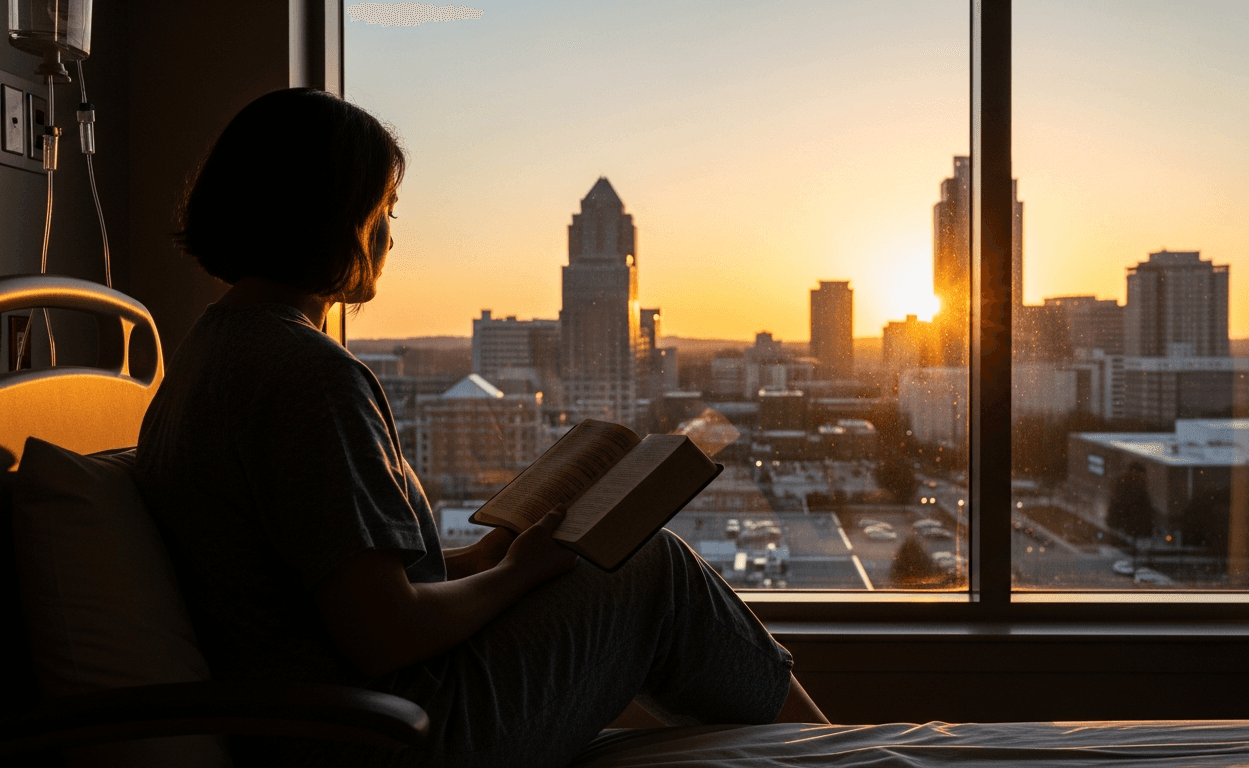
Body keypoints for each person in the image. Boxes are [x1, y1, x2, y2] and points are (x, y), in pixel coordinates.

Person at [134, 88, 826, 768]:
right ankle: (846, 755)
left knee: (620, 564)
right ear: (332, 213)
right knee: (655, 570)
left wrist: (493, 557)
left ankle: (838, 750)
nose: (389, 235)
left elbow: (346, 589)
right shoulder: (307, 376)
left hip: (325, 717)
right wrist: (515, 576)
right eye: (383, 210)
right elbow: (385, 633)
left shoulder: (210, 352)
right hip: (387, 735)